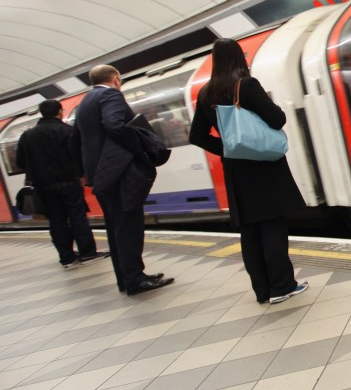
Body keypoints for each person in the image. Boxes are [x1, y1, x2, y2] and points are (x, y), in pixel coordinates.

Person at [190, 38, 308, 304]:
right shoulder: (246, 85)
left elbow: (196, 135)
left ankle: (263, 291)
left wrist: (229, 148)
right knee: (273, 227)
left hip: (236, 171)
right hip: (263, 167)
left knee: (251, 232)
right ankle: (282, 286)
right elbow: (277, 119)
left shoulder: (206, 93)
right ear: (239, 58)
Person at [74, 65, 174, 295]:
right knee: (129, 226)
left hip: (100, 173)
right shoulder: (110, 94)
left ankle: (126, 278)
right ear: (117, 78)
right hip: (119, 172)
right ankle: (136, 279)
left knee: (116, 227)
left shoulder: (85, 102)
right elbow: (114, 125)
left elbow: (78, 138)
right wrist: (140, 149)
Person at [14, 99, 107, 268]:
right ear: (60, 112)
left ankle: (67, 258)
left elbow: (21, 162)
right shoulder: (67, 131)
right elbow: (79, 156)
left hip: (43, 186)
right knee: (77, 217)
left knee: (56, 220)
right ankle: (88, 253)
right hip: (69, 182)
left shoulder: (27, 136)